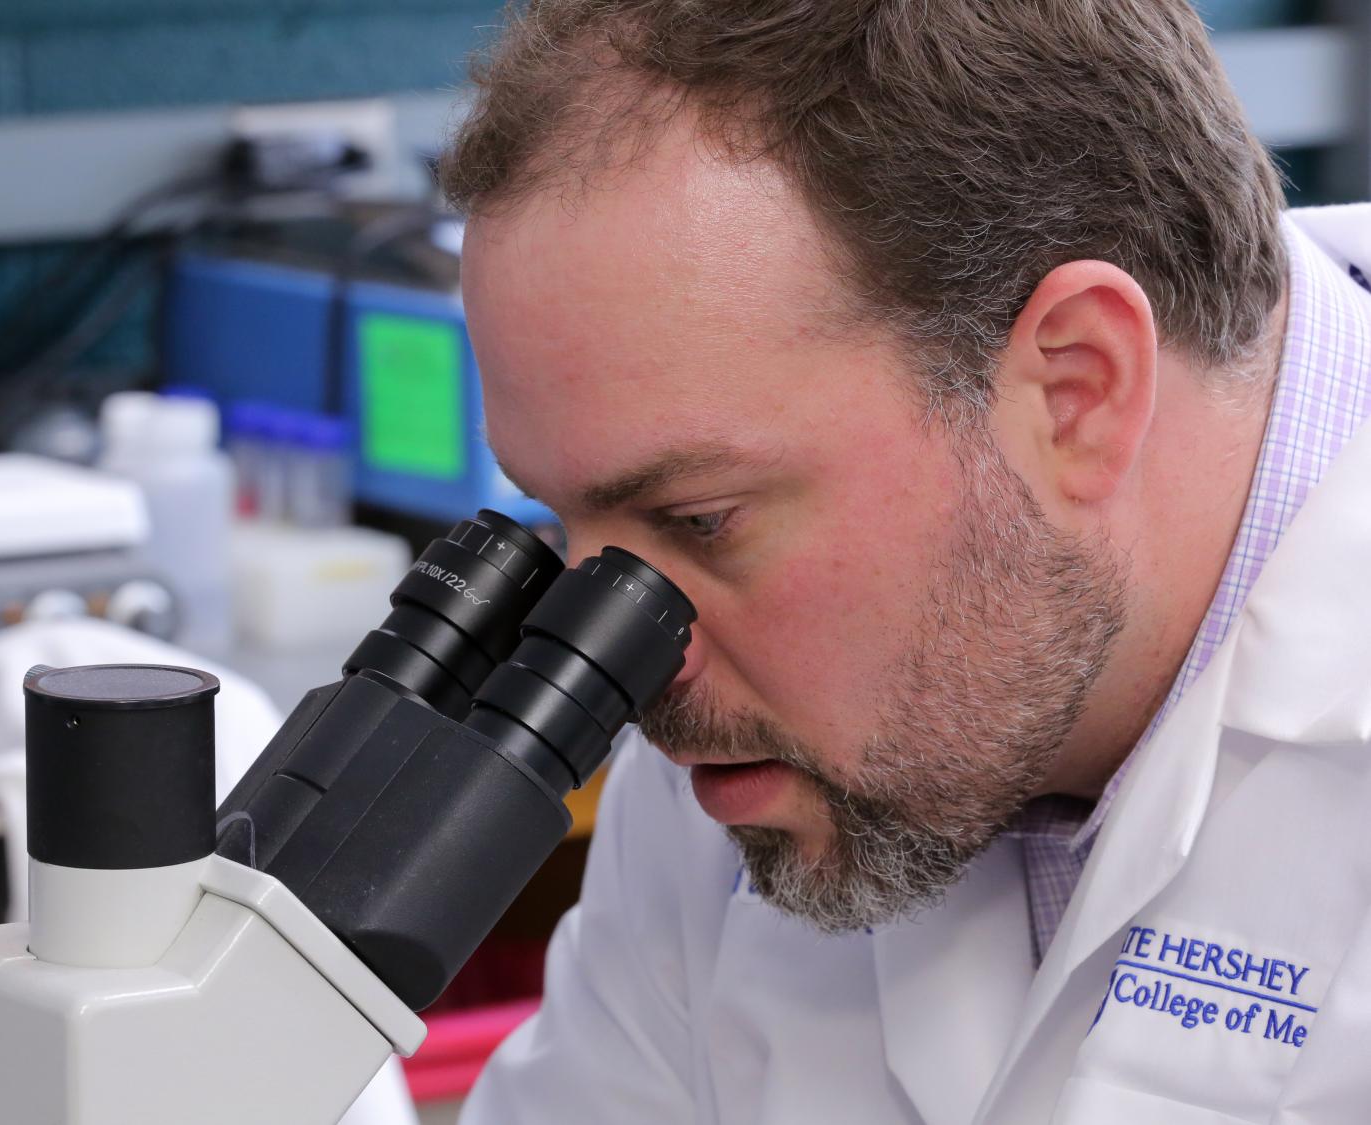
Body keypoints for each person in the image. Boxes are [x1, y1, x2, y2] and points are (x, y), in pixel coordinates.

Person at [441, 1, 1371, 1121]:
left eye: (701, 520)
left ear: (1078, 390)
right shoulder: (744, 739)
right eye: (568, 533)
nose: (626, 668)